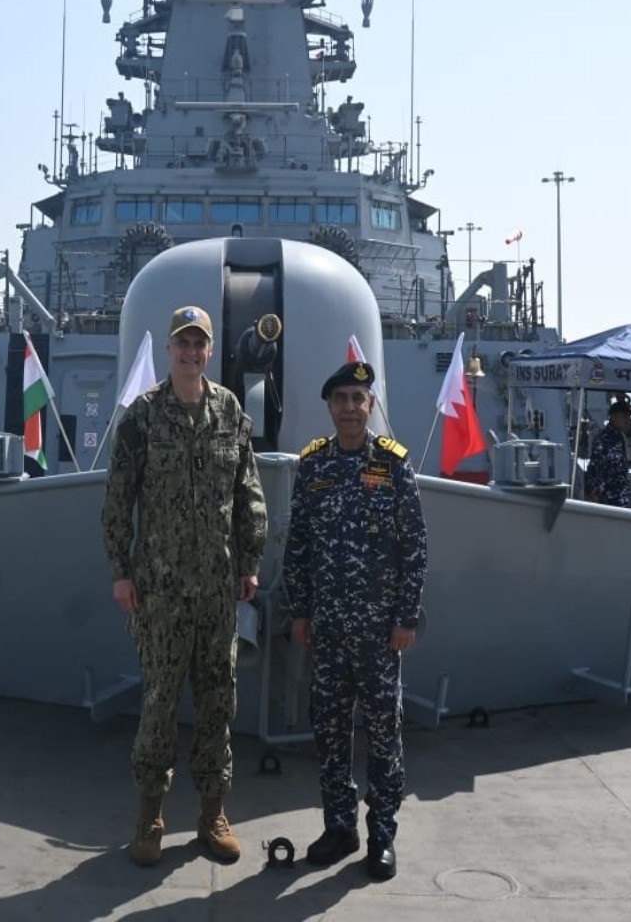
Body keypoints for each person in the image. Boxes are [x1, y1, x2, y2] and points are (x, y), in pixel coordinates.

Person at [100, 304, 268, 867]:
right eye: (182, 343)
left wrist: (249, 561)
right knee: (160, 703)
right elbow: (118, 499)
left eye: (199, 344)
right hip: (161, 591)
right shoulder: (143, 417)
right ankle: (149, 815)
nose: (191, 352)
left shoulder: (229, 410)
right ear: (170, 349)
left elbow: (248, 492)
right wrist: (120, 571)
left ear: (209, 351)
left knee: (219, 702)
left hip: (217, 589)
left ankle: (212, 814)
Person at [286, 360, 427, 882]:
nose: (349, 407)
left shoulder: (393, 465)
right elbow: (298, 544)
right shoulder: (313, 467)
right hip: (327, 629)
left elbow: (414, 547)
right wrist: (300, 610)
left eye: (358, 399)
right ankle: (339, 826)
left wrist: (406, 616)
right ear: (330, 406)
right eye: (341, 398)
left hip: (378, 633)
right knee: (329, 730)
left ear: (370, 406)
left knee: (384, 733)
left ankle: (382, 835)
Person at [585, 399, 631, 506]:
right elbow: (595, 467)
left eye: (629, 417)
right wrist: (594, 492)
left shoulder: (619, 438)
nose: (628, 421)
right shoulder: (605, 439)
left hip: (619, 497)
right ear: (613, 417)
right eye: (624, 416)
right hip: (607, 499)